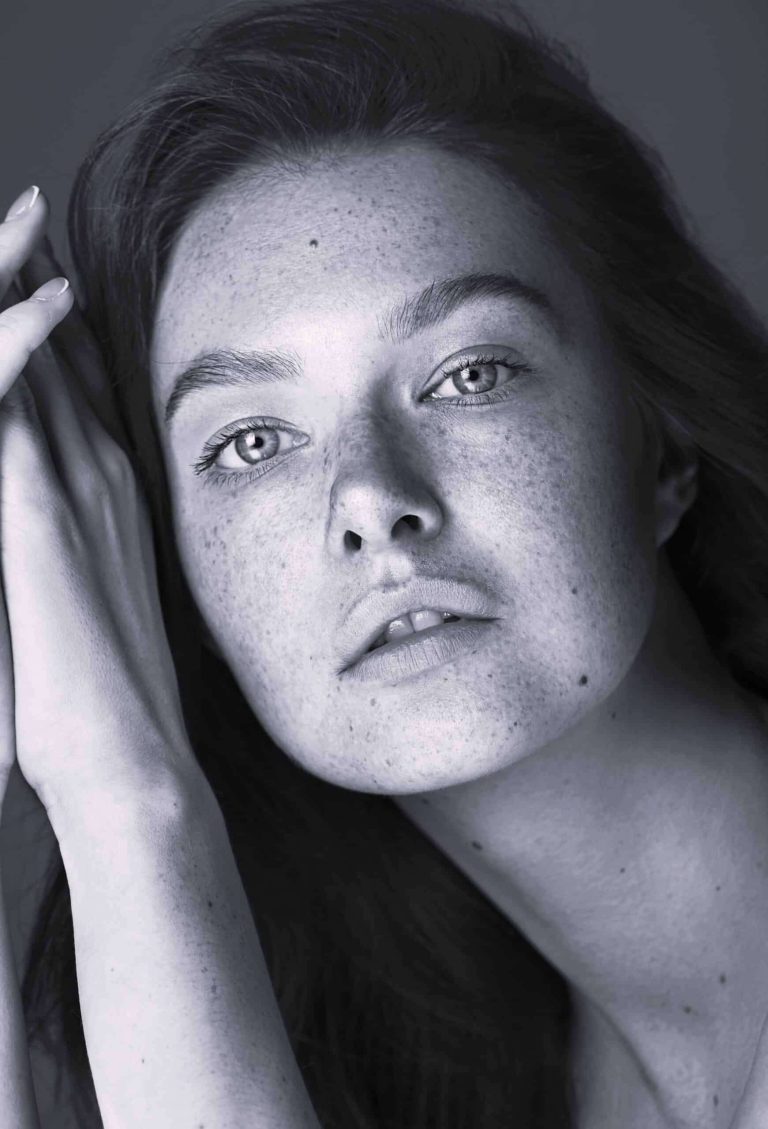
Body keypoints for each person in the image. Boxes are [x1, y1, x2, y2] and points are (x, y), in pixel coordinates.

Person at [1, 0, 768, 1124]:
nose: (368, 499)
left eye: (468, 376)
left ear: (663, 440)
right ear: (176, 573)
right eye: (252, 442)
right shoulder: (448, 1076)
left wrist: (122, 792)